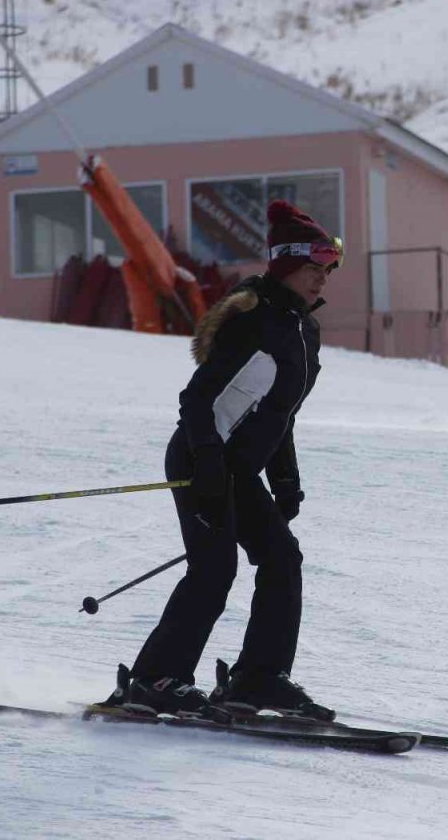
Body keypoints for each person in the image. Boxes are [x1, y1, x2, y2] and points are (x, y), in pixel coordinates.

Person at [104, 199, 342, 721]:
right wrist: (208, 461)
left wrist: (285, 478)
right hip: (199, 454)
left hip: (238, 468)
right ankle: (154, 680)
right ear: (284, 266)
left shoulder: (303, 329)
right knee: (215, 567)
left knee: (282, 558)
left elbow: (280, 411)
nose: (321, 280)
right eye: (312, 269)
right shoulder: (252, 319)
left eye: (326, 271)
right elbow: (197, 400)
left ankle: (258, 679)